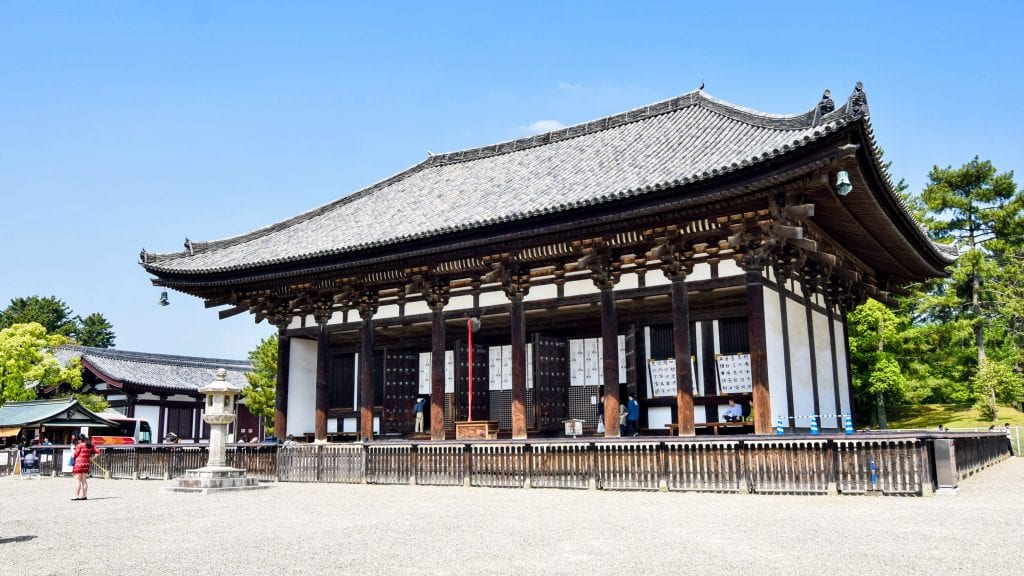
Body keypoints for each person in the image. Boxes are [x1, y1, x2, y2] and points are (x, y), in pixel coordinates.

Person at [71, 433, 99, 501]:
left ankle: (76, 495)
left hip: (79, 464)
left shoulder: (79, 445)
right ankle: (84, 495)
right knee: (84, 480)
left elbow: (74, 455)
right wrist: (92, 458)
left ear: (80, 439)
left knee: (78, 480)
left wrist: (72, 449)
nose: (77, 441)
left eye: (78, 440)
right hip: (86, 463)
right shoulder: (90, 444)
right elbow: (98, 452)